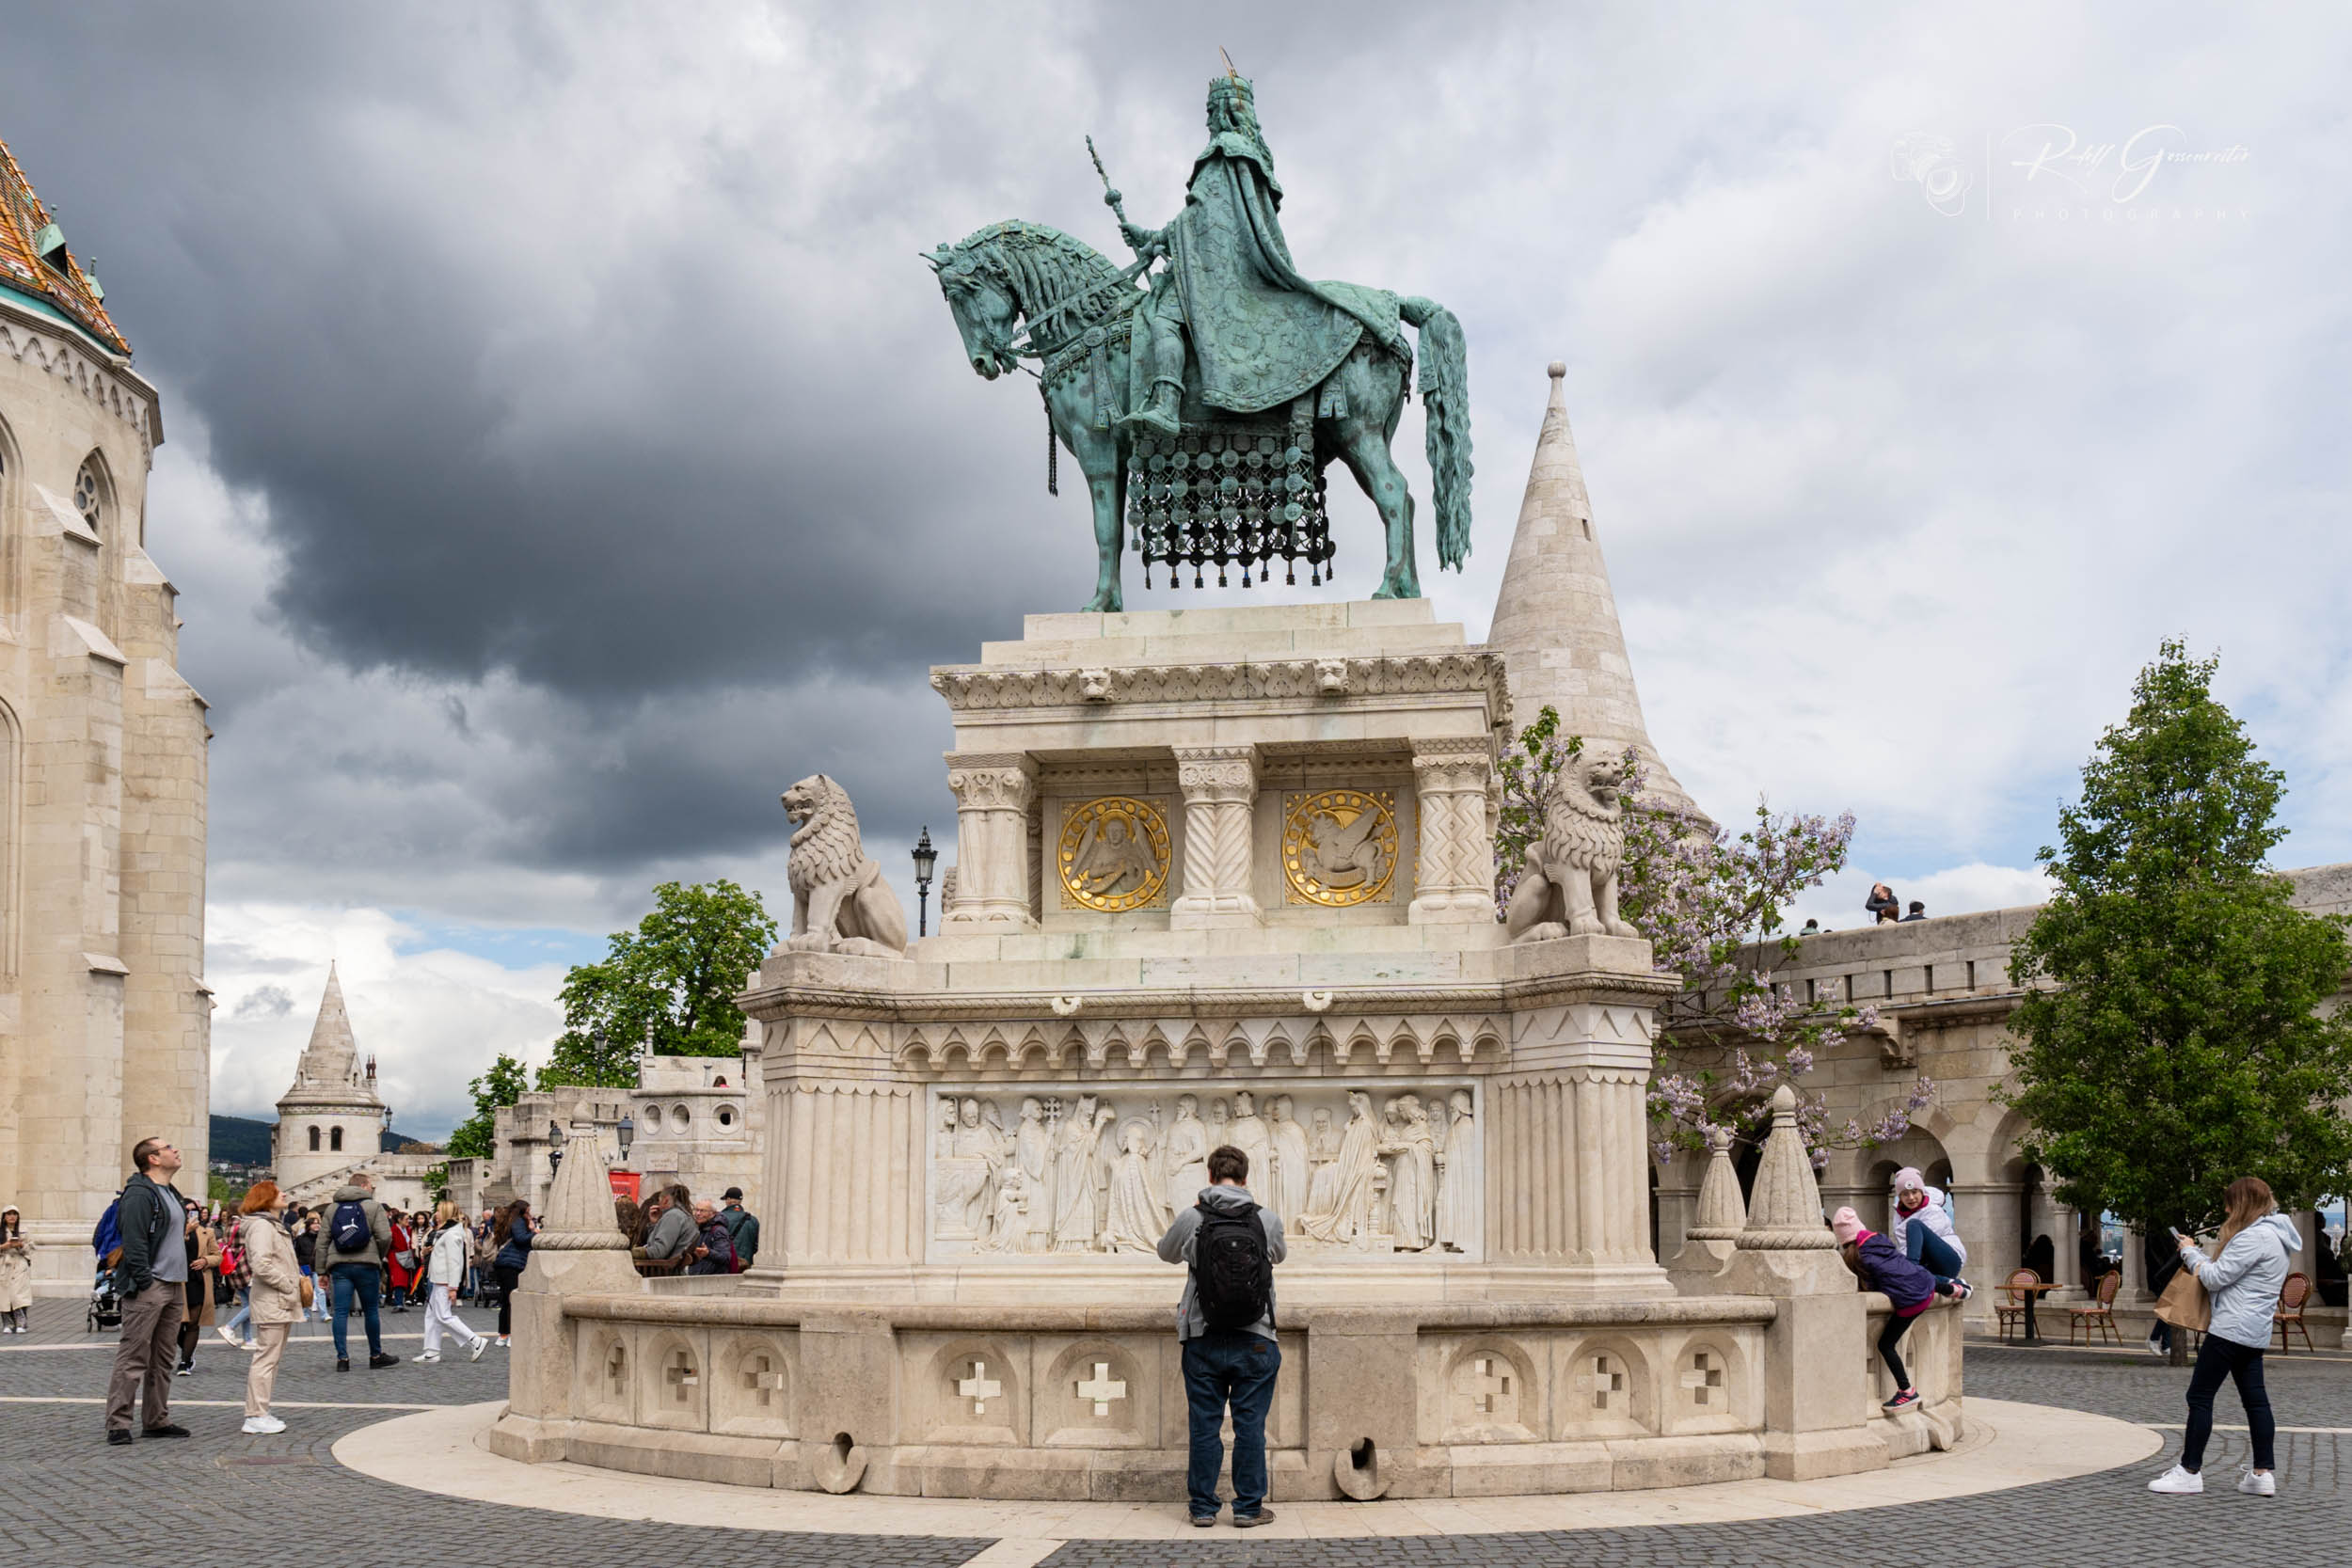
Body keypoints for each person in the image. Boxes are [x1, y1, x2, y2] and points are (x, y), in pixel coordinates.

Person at [1156, 1144, 1286, 1528]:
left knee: (1204, 1424)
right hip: (1256, 1336)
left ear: (1210, 1177)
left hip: (1203, 1335)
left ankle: (1202, 1508)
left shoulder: (1192, 1216)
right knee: (1250, 1426)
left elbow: (1165, 1253)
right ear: (1245, 1179)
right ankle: (1248, 1507)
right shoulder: (1266, 1219)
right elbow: (1278, 1256)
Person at [2147, 1177, 2302, 1497]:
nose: (2227, 1209)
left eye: (2230, 1203)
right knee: (2256, 1401)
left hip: (2230, 1329)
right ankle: (2262, 1473)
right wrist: (2200, 1258)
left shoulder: (2254, 1237)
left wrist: (2190, 1253)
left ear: (2243, 1203)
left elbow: (2216, 1278)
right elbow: (2228, 1273)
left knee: (2200, 1397)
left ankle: (2190, 1471)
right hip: (2254, 1331)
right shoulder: (2277, 1236)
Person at [103, 1136, 195, 1445]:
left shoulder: (170, 1192)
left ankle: (156, 1418)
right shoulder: (140, 1194)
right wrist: (144, 1280)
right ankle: (118, 1422)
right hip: (151, 1284)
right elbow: (134, 1240)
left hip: (173, 1284)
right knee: (134, 1354)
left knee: (163, 1356)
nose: (175, 1150)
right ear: (153, 1159)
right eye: (169, 1147)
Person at [1833, 1206, 1959, 1411]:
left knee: (1886, 1345)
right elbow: (1901, 1270)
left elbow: (1870, 1285)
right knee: (1918, 1275)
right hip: (1926, 1283)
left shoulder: (1859, 1257)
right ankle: (1953, 1289)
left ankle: (1906, 1391)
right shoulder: (1881, 1242)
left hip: (1912, 1301)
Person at [234, 1181, 300, 1434]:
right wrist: (286, 1284)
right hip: (273, 1298)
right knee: (266, 1359)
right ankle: (255, 1414)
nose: (283, 1193)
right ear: (265, 1198)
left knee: (271, 1358)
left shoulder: (270, 1224)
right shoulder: (262, 1226)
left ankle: (260, 1410)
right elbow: (261, 1264)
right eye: (277, 1191)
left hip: (278, 1299)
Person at [319, 1172, 398, 1372]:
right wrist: (377, 1256)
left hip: (340, 1266)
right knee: (371, 1310)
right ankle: (375, 1355)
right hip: (367, 1265)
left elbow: (322, 1242)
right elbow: (385, 1236)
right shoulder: (373, 1206)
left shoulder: (332, 1208)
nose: (372, 1189)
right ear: (363, 1186)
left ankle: (343, 1359)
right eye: (370, 1185)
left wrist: (321, 1271)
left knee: (340, 1312)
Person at [415, 1201, 489, 1363]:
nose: (436, 1214)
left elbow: (455, 1262)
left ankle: (475, 1340)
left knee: (442, 1316)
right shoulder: (445, 1231)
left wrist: (453, 1287)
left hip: (444, 1280)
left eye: (439, 1211)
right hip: (438, 1278)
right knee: (432, 1315)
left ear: (446, 1214)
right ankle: (432, 1351)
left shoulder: (452, 1234)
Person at [1885, 1168, 1971, 1296]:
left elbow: (1920, 1245)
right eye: (1905, 1194)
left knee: (1914, 1225)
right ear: (1900, 1197)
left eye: (1915, 1192)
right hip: (1927, 1264)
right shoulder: (1899, 1214)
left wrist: (1906, 1267)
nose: (1911, 1198)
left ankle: (1911, 1271)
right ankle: (1953, 1284)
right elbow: (1904, 1246)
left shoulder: (1933, 1210)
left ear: (1922, 1191)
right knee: (1896, 1277)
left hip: (1948, 1259)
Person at [174, 1204, 222, 1374]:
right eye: (187, 1210)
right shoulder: (173, 1231)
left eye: (193, 1210)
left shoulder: (207, 1232)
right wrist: (185, 1232)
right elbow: (167, 1251)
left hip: (198, 1280)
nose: (190, 1213)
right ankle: (188, 1350)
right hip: (177, 1281)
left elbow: (218, 1256)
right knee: (176, 1325)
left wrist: (206, 1261)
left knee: (193, 1324)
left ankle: (185, 1361)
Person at [491, 1198, 534, 1346]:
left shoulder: (509, 1221)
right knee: (513, 1300)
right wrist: (535, 1232)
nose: (530, 1214)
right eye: (528, 1211)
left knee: (506, 1300)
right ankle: (512, 1335)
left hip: (504, 1263)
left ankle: (503, 1334)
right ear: (523, 1211)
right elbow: (521, 1239)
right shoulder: (518, 1222)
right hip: (512, 1264)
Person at [641, 1190, 700, 1270]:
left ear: (665, 1200)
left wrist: (635, 1253)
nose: (658, 1204)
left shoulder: (673, 1216)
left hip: (663, 1274)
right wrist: (654, 1224)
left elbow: (658, 1252)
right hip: (669, 1273)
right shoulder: (679, 1215)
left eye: (659, 1201)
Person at [0, 1205, 33, 1333]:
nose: (12, 1216)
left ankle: (21, 1322)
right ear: (4, 1217)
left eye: (14, 1214)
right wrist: (5, 1246)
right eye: (9, 1214)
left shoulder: (24, 1230)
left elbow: (31, 1248)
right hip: (3, 1265)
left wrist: (20, 1245)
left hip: (19, 1264)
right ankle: (8, 1324)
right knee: (4, 1296)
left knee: (18, 1295)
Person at [688, 1201, 738, 1275]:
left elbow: (726, 1257)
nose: (697, 1214)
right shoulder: (698, 1228)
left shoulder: (718, 1230)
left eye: (702, 1211)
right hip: (697, 1279)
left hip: (711, 1281)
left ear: (713, 1213)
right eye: (696, 1210)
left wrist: (708, 1253)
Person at [386, 1210, 421, 1312]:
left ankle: (400, 1302)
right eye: (406, 1219)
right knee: (398, 1281)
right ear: (399, 1220)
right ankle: (398, 1303)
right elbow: (390, 1244)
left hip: (406, 1257)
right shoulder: (393, 1230)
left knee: (404, 1280)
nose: (408, 1221)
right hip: (396, 1257)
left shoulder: (408, 1230)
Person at [718, 1188, 759, 1269]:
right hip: (745, 1266)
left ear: (728, 1199)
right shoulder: (753, 1220)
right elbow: (757, 1246)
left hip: (726, 1266)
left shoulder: (720, 1217)